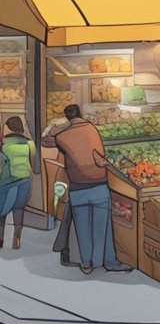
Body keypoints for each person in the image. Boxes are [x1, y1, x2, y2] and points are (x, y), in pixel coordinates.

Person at [42, 105, 130, 275]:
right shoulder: (92, 128)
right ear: (81, 114)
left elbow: (46, 139)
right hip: (99, 185)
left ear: (67, 118)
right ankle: (108, 262)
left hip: (78, 188)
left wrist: (60, 126)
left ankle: (87, 263)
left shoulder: (63, 135)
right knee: (103, 228)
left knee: (82, 228)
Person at [0, 116, 35, 249]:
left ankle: (1, 240)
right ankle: (16, 240)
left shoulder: (3, 145)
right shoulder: (29, 144)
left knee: (2, 212)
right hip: (24, 181)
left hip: (7, 182)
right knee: (19, 209)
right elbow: (33, 164)